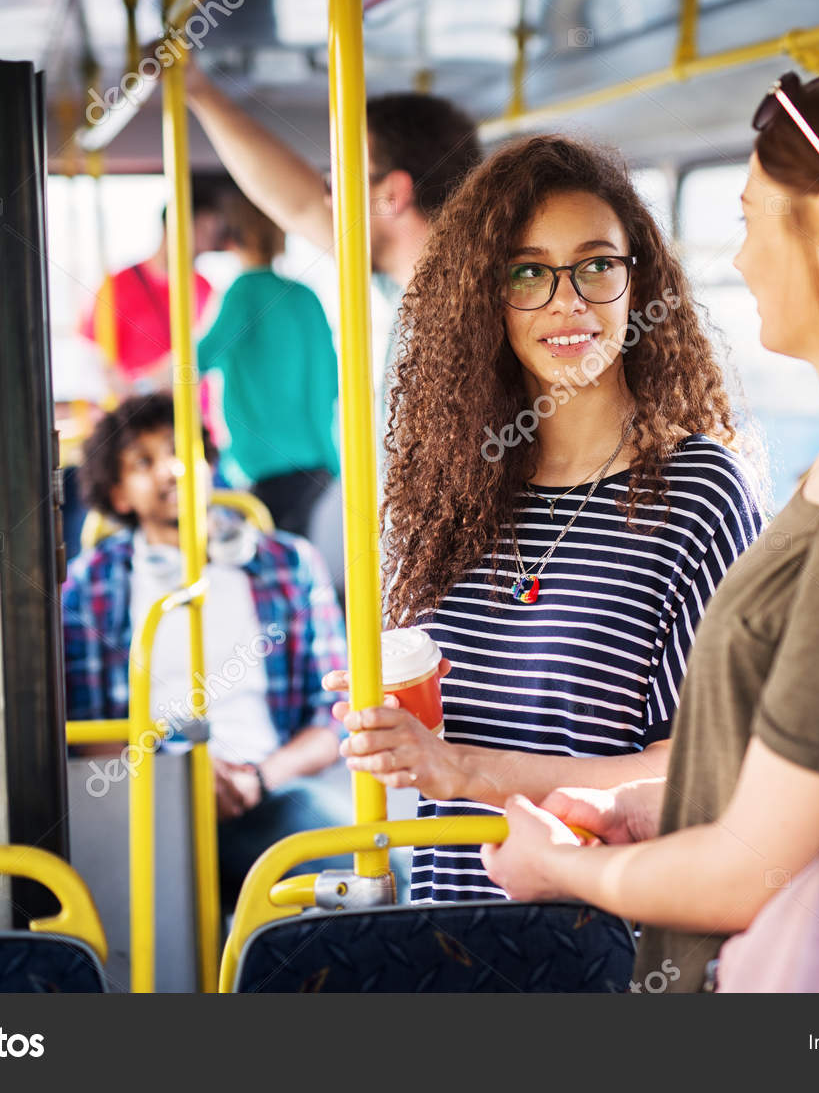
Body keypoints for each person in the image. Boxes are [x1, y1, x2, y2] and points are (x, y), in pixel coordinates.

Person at [479, 62, 819, 991]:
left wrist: (565, 869)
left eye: (749, 217)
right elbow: (818, 800)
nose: (739, 259)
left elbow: (754, 870)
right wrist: (655, 808)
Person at [328, 135, 766, 902]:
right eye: (528, 272)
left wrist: (463, 771)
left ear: (639, 281)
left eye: (598, 264)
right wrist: (396, 736)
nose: (568, 301)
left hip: (599, 938)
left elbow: (713, 767)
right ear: (484, 299)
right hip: (451, 923)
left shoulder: (699, 492)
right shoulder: (455, 493)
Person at [61, 394, 350, 908]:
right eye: (143, 462)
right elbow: (86, 729)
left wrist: (257, 779)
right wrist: (179, 774)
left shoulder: (289, 565)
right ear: (119, 495)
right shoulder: (94, 583)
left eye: (179, 450)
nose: (170, 470)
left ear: (208, 463)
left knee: (376, 877)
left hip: (268, 789)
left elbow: (335, 714)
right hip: (144, 794)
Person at [184, 64, 480, 296]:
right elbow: (299, 205)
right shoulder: (405, 288)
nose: (328, 199)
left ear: (392, 195)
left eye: (338, 185)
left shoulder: (470, 314)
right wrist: (198, 90)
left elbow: (304, 206)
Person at [197, 184, 340, 538]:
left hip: (264, 465)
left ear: (231, 236)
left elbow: (198, 359)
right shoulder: (306, 296)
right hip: (320, 462)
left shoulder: (242, 292)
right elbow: (332, 380)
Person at [78, 174, 228, 396]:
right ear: (175, 226)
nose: (207, 244)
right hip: (142, 418)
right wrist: (129, 390)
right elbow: (91, 354)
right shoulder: (118, 285)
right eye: (203, 231)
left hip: (192, 416)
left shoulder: (204, 287)